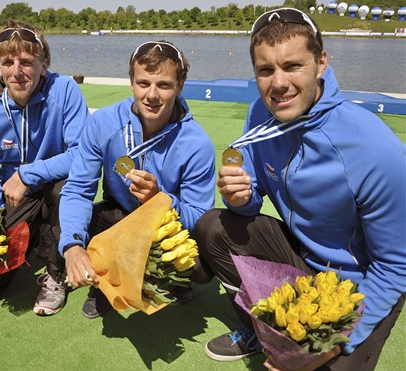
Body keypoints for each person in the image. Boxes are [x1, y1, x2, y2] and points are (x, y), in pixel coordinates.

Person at [194, 8, 406, 369]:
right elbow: (257, 190)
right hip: (302, 256)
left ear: (321, 62)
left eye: (292, 66)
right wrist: (242, 198)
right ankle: (263, 330)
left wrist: (335, 343)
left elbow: (396, 266)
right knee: (213, 227)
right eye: (265, 70)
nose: (278, 84)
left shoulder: (374, 148)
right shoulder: (261, 114)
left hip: (357, 285)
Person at [60, 40, 216, 319]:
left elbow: (200, 216)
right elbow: (79, 189)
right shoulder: (103, 123)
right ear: (131, 82)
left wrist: (161, 201)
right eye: (143, 83)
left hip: (168, 226)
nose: (152, 95)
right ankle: (106, 284)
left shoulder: (198, 143)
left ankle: (168, 279)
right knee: (86, 222)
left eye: (164, 85)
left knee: (201, 267)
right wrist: (72, 245)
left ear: (180, 85)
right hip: (122, 216)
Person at [0, 22, 90, 316]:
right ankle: (36, 236)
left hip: (54, 189)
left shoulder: (65, 90)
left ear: (44, 64)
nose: (17, 71)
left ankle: (55, 272)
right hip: (14, 198)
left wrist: (26, 174)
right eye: (8, 62)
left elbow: (82, 155)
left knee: (64, 188)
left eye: (27, 62)